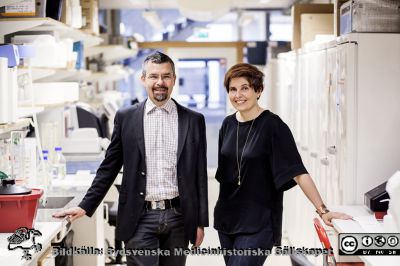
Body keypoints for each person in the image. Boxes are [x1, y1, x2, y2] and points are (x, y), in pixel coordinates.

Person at [53, 51, 209, 266]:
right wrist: (85, 205)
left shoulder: (193, 120)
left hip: (179, 218)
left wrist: (200, 222)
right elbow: (109, 167)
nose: (160, 82)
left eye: (165, 76)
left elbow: (199, 175)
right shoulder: (126, 117)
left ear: (173, 79)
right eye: (154, 76)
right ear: (143, 79)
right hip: (139, 216)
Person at [213, 63, 351, 266]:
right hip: (227, 220)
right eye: (233, 89)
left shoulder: (273, 126)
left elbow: (298, 171)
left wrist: (323, 210)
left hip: (259, 222)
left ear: (258, 90)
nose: (238, 95)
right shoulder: (227, 124)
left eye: (245, 88)